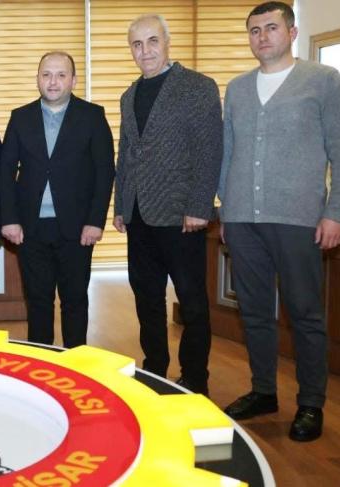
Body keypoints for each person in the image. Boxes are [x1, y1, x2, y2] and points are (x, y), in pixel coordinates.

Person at [218, 2, 340, 442]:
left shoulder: (323, 81)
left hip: (298, 219)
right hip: (242, 218)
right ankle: (263, 391)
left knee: (304, 313)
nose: (263, 37)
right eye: (254, 30)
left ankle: (311, 403)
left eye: (271, 27)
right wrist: (226, 210)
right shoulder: (238, 89)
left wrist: (335, 212)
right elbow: (227, 152)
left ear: (292, 32)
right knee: (254, 312)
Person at [112, 14, 223, 395]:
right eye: (137, 44)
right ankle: (154, 370)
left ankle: (195, 378)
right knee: (147, 299)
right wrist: (120, 205)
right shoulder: (129, 95)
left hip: (181, 216)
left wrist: (200, 205)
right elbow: (127, 154)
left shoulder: (198, 87)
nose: (145, 51)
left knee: (192, 302)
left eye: (152, 41)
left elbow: (209, 151)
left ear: (167, 42)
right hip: (139, 216)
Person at [0, 51, 114, 348]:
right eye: (46, 74)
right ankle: (42, 362)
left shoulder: (92, 116)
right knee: (38, 302)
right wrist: (9, 218)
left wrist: (95, 221)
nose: (53, 81)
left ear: (73, 80)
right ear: (37, 79)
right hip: (30, 228)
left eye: (61, 75)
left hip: (77, 228)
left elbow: (105, 172)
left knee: (75, 301)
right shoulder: (20, 117)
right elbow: (5, 172)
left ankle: (76, 364)